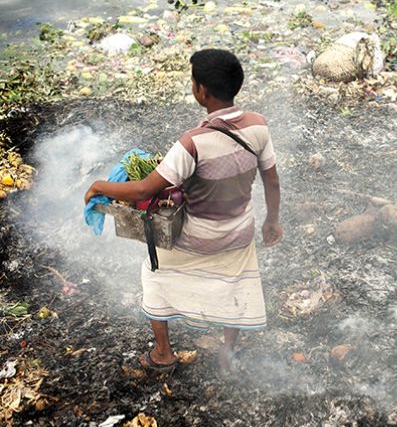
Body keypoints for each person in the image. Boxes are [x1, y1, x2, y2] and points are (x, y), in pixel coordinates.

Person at [84, 49, 282, 373]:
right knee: (235, 280)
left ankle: (163, 353)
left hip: (199, 236)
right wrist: (272, 221)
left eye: (193, 80)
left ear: (201, 90)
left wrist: (98, 186)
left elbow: (144, 189)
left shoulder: (192, 142)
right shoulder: (259, 127)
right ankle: (227, 353)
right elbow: (271, 182)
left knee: (154, 272)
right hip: (240, 229)